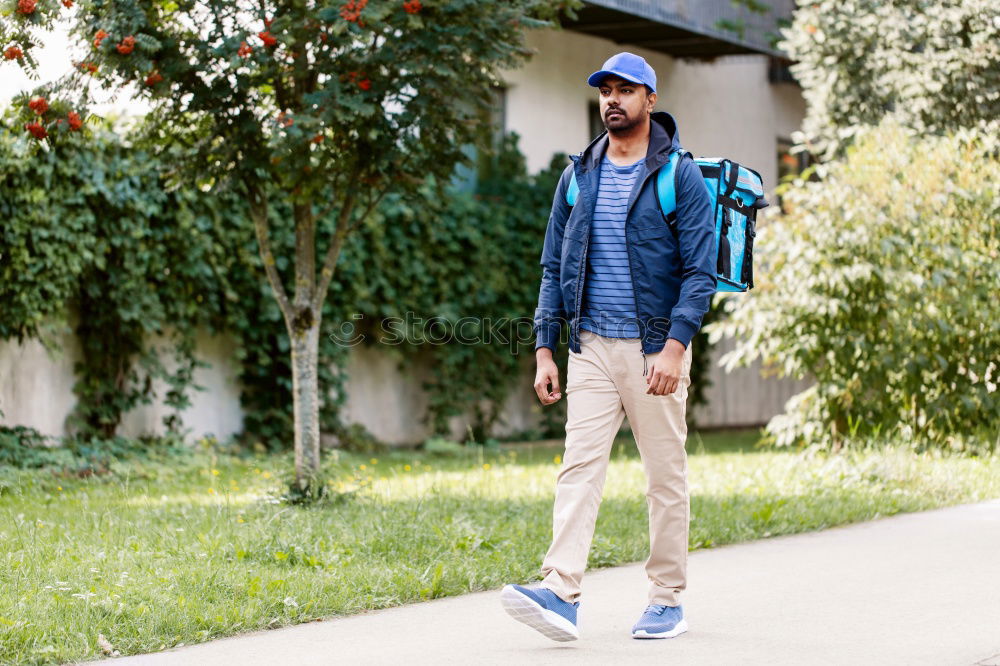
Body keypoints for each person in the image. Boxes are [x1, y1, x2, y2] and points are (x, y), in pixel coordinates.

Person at [500, 51, 717, 642]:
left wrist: (674, 348)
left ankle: (667, 598)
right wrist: (546, 350)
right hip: (590, 346)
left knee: (664, 476)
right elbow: (552, 268)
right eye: (605, 91)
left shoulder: (680, 176)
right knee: (579, 467)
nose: (613, 100)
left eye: (626, 90)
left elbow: (700, 272)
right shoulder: (578, 175)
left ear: (651, 98)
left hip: (654, 349)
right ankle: (560, 591)